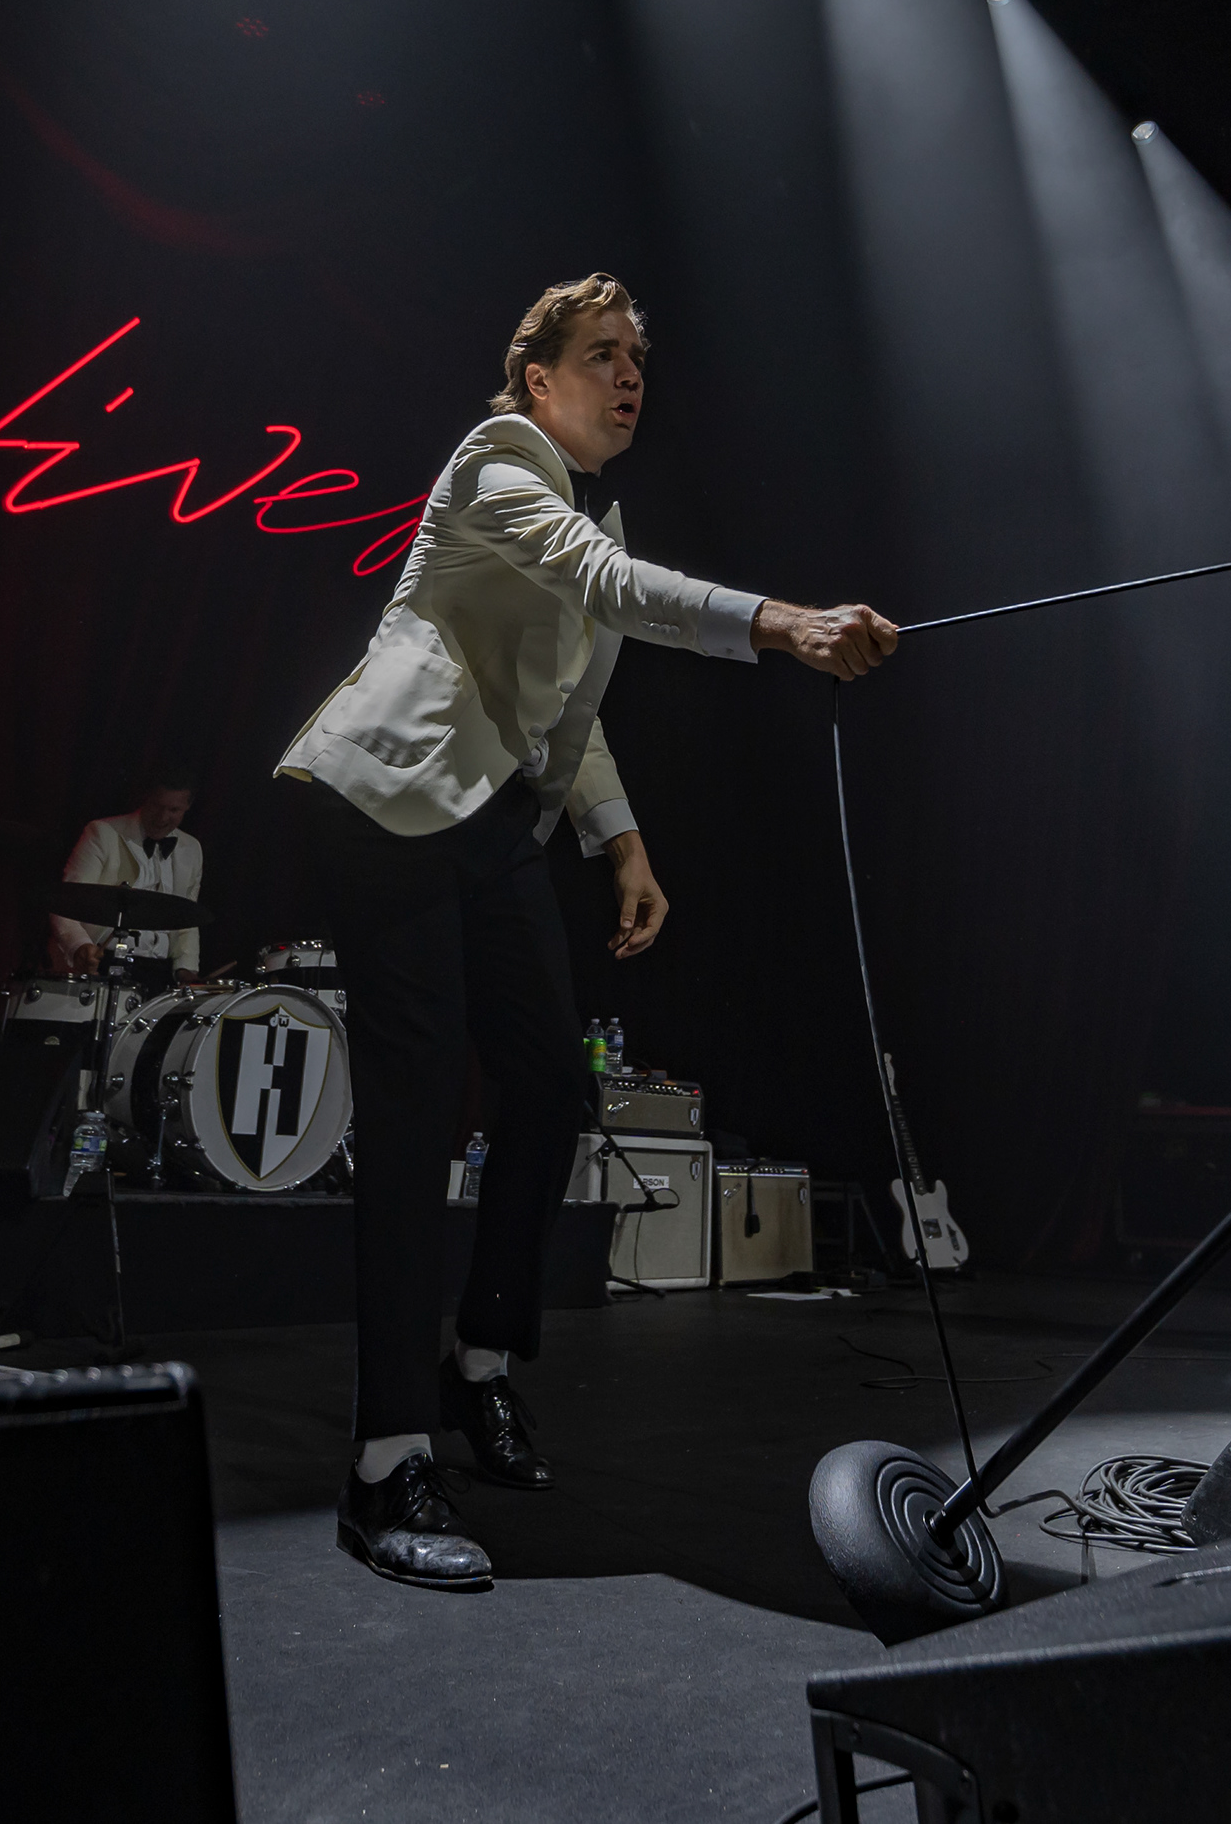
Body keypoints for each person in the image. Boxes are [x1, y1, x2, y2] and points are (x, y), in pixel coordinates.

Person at [275, 274, 896, 1590]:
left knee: (555, 1077)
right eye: (602, 355)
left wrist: (623, 838)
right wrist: (782, 622)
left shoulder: (581, 510)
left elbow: (570, 701)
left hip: (495, 817)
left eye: (640, 360)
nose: (629, 377)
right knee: (414, 1105)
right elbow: (610, 587)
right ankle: (386, 1461)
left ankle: (477, 1354)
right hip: (385, 798)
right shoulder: (499, 459)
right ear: (536, 378)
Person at [51, 767, 204, 980]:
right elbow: (65, 904)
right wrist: (79, 946)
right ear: (145, 798)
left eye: (173, 810)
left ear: (188, 807)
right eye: (156, 806)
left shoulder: (192, 849)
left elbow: (187, 918)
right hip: (102, 962)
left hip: (159, 970)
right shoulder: (102, 833)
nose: (162, 817)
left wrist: (186, 968)